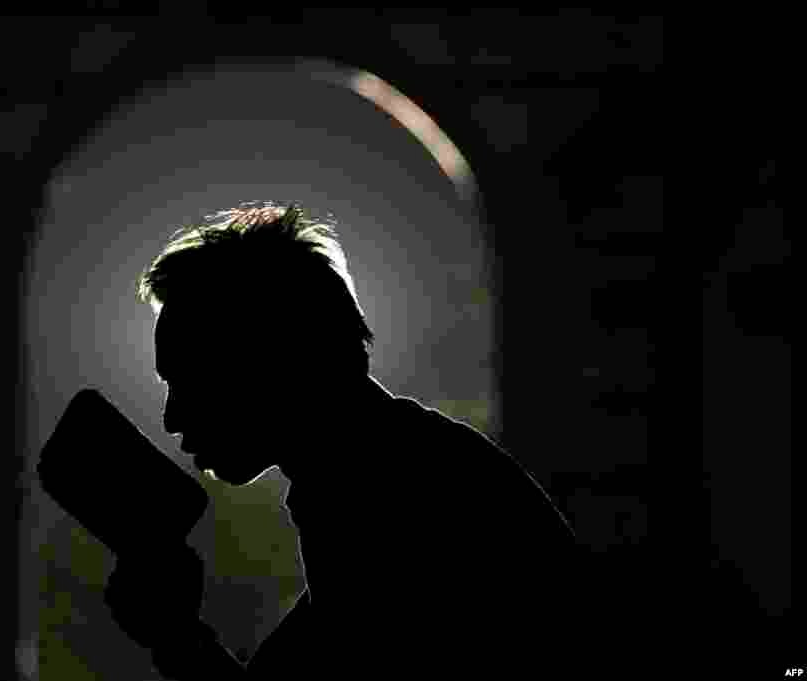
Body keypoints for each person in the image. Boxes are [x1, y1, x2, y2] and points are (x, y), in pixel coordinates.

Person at [105, 201, 601, 678]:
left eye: (191, 379)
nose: (172, 418)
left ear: (268, 359)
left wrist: (173, 637)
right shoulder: (407, 468)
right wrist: (176, 636)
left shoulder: (384, 501)